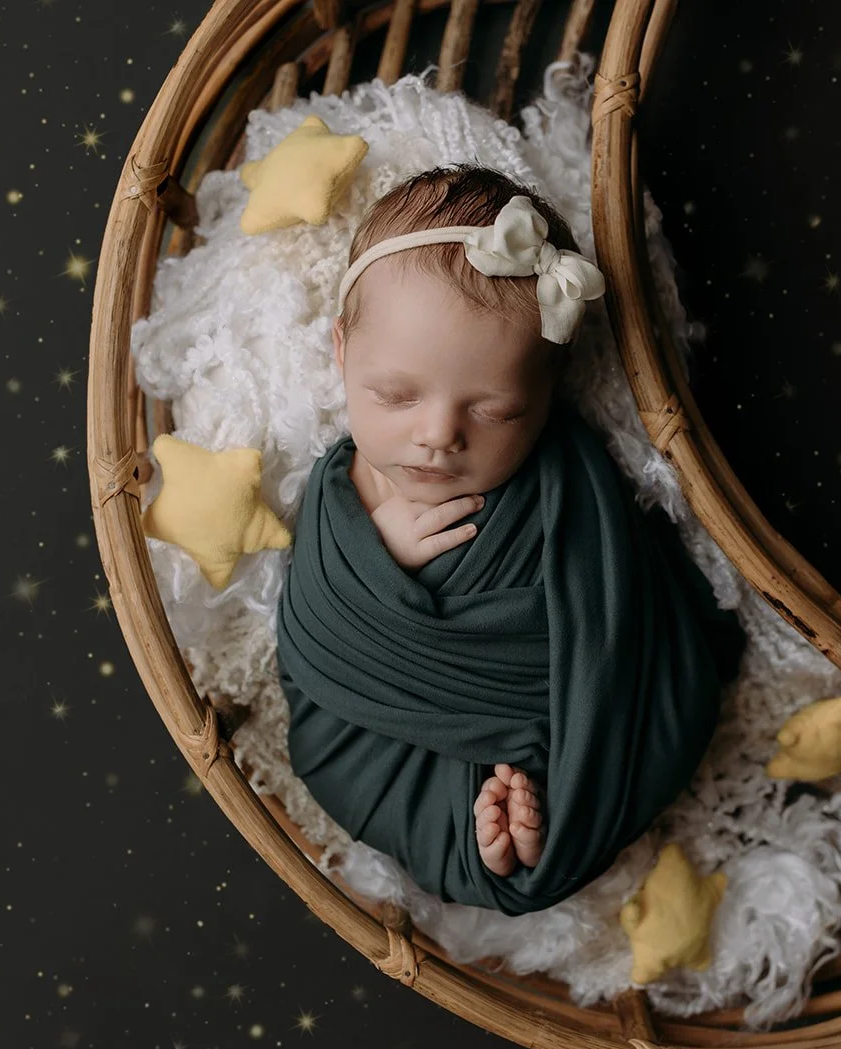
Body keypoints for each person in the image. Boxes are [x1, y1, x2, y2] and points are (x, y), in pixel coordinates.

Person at [276, 163, 747, 915]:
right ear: (341, 352)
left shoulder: (565, 490)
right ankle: (480, 834)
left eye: (495, 412)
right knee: (345, 761)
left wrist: (533, 749)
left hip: (561, 728)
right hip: (373, 720)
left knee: (634, 727)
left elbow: (624, 623)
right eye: (394, 395)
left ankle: (516, 827)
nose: (437, 436)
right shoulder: (342, 493)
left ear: (546, 399)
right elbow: (314, 633)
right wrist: (371, 562)